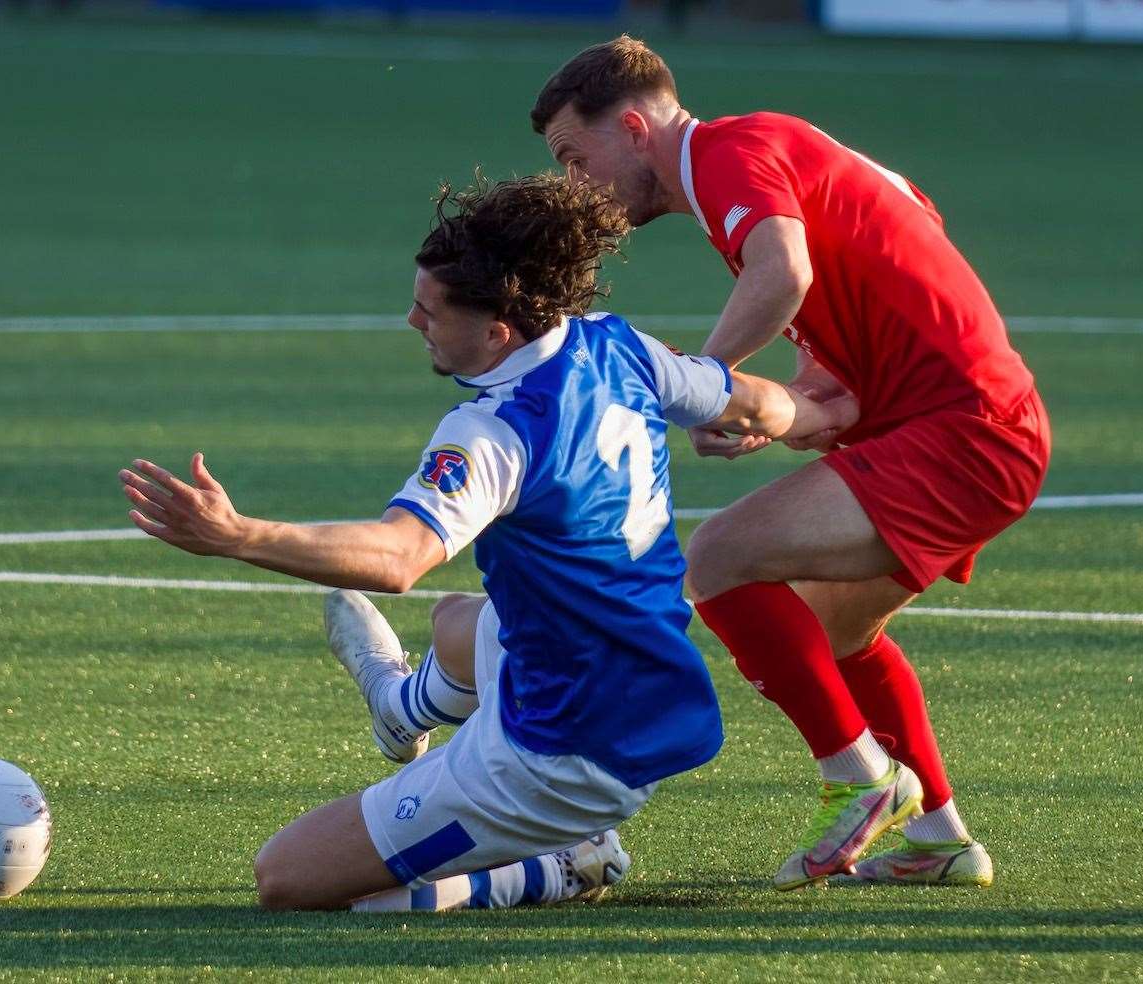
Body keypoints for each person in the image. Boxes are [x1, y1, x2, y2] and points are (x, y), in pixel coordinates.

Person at [118, 173, 858, 911]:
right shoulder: (620, 348)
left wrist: (236, 534)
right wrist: (826, 412)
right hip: (655, 694)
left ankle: (564, 863)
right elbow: (751, 398)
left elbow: (399, 556)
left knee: (288, 879)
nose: (413, 322)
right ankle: (400, 709)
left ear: (497, 330)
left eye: (429, 310)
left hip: (558, 758)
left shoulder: (494, 430)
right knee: (460, 626)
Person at [529, 36, 1052, 889]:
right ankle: (942, 841)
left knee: (721, 555)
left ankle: (860, 779)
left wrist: (698, 385)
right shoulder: (760, 149)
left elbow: (785, 274)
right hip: (961, 422)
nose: (573, 186)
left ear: (632, 127)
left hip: (966, 432)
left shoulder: (728, 154)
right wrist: (828, 391)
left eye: (573, 158)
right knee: (838, 633)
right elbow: (906, 219)